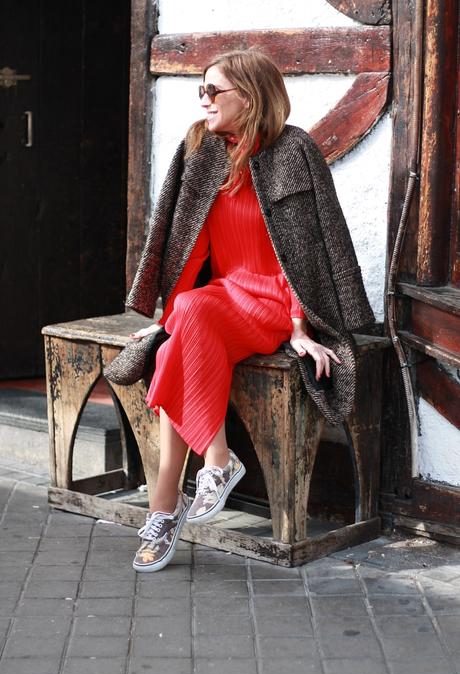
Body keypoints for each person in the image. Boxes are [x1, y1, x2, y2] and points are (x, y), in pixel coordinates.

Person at [125, 48, 375, 573]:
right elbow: (186, 243)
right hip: (217, 299)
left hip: (270, 307)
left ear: (252, 95)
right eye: (201, 90)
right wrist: (160, 319)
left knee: (180, 341)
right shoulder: (201, 149)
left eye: (215, 91)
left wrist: (302, 328)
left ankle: (173, 505)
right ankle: (192, 485)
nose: (205, 100)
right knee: (176, 338)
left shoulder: (293, 151)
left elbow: (304, 249)